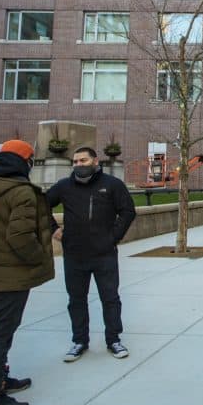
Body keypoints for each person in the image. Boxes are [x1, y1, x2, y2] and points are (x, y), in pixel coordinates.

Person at [0, 139, 54, 405]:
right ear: (25, 162)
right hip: (13, 276)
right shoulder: (21, 193)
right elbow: (20, 237)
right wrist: (37, 258)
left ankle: (0, 380)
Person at [47, 146, 136, 362]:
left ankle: (113, 339)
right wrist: (53, 229)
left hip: (104, 253)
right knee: (76, 299)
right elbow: (41, 206)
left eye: (83, 161)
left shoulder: (112, 185)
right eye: (75, 162)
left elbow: (127, 211)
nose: (78, 165)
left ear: (95, 162)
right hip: (74, 254)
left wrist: (113, 237)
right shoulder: (64, 186)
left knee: (110, 298)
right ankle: (79, 341)